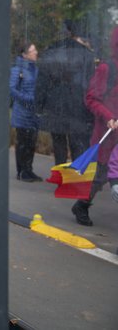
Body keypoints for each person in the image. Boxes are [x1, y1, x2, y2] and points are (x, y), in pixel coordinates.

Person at [35, 20, 95, 165]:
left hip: (55, 104)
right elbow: (90, 83)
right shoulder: (85, 53)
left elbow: (42, 82)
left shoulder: (52, 50)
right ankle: (74, 178)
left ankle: (61, 175)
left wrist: (38, 105)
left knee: (59, 143)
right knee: (77, 143)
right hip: (78, 105)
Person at [75, 26, 118, 225]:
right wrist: (109, 116)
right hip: (108, 135)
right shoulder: (107, 68)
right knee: (99, 177)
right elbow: (91, 99)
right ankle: (82, 205)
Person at [10, 42, 42, 182]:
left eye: (35, 50)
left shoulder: (35, 69)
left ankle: (29, 170)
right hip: (22, 113)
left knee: (31, 143)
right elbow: (12, 89)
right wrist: (29, 99)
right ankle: (21, 171)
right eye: (33, 50)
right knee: (23, 142)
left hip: (34, 113)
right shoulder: (18, 70)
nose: (36, 53)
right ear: (25, 54)